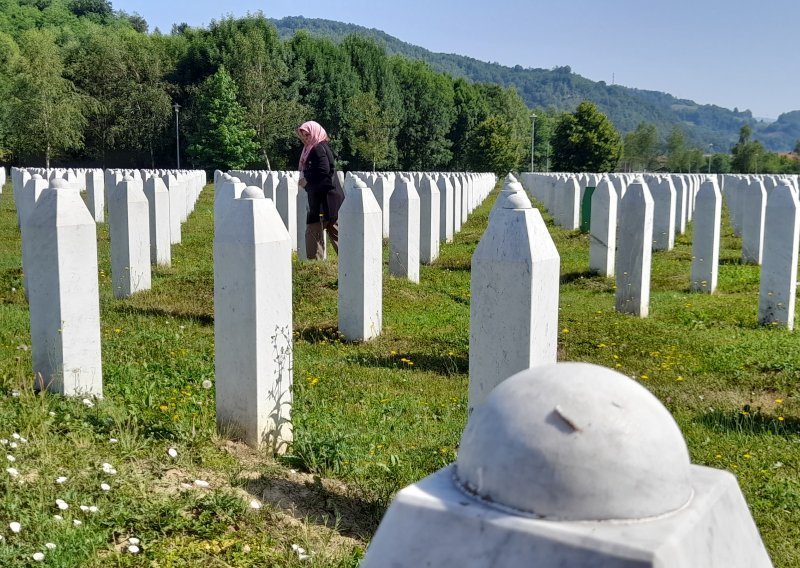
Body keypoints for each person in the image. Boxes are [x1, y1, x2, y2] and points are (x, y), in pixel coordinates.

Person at [297, 121, 344, 260]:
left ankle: (315, 266)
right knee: (334, 230)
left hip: (323, 200)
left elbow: (324, 170)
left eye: (307, 134)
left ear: (315, 132)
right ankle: (350, 263)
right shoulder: (318, 147)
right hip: (329, 199)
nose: (305, 138)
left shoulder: (317, 148)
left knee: (312, 232)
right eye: (303, 135)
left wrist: (307, 180)